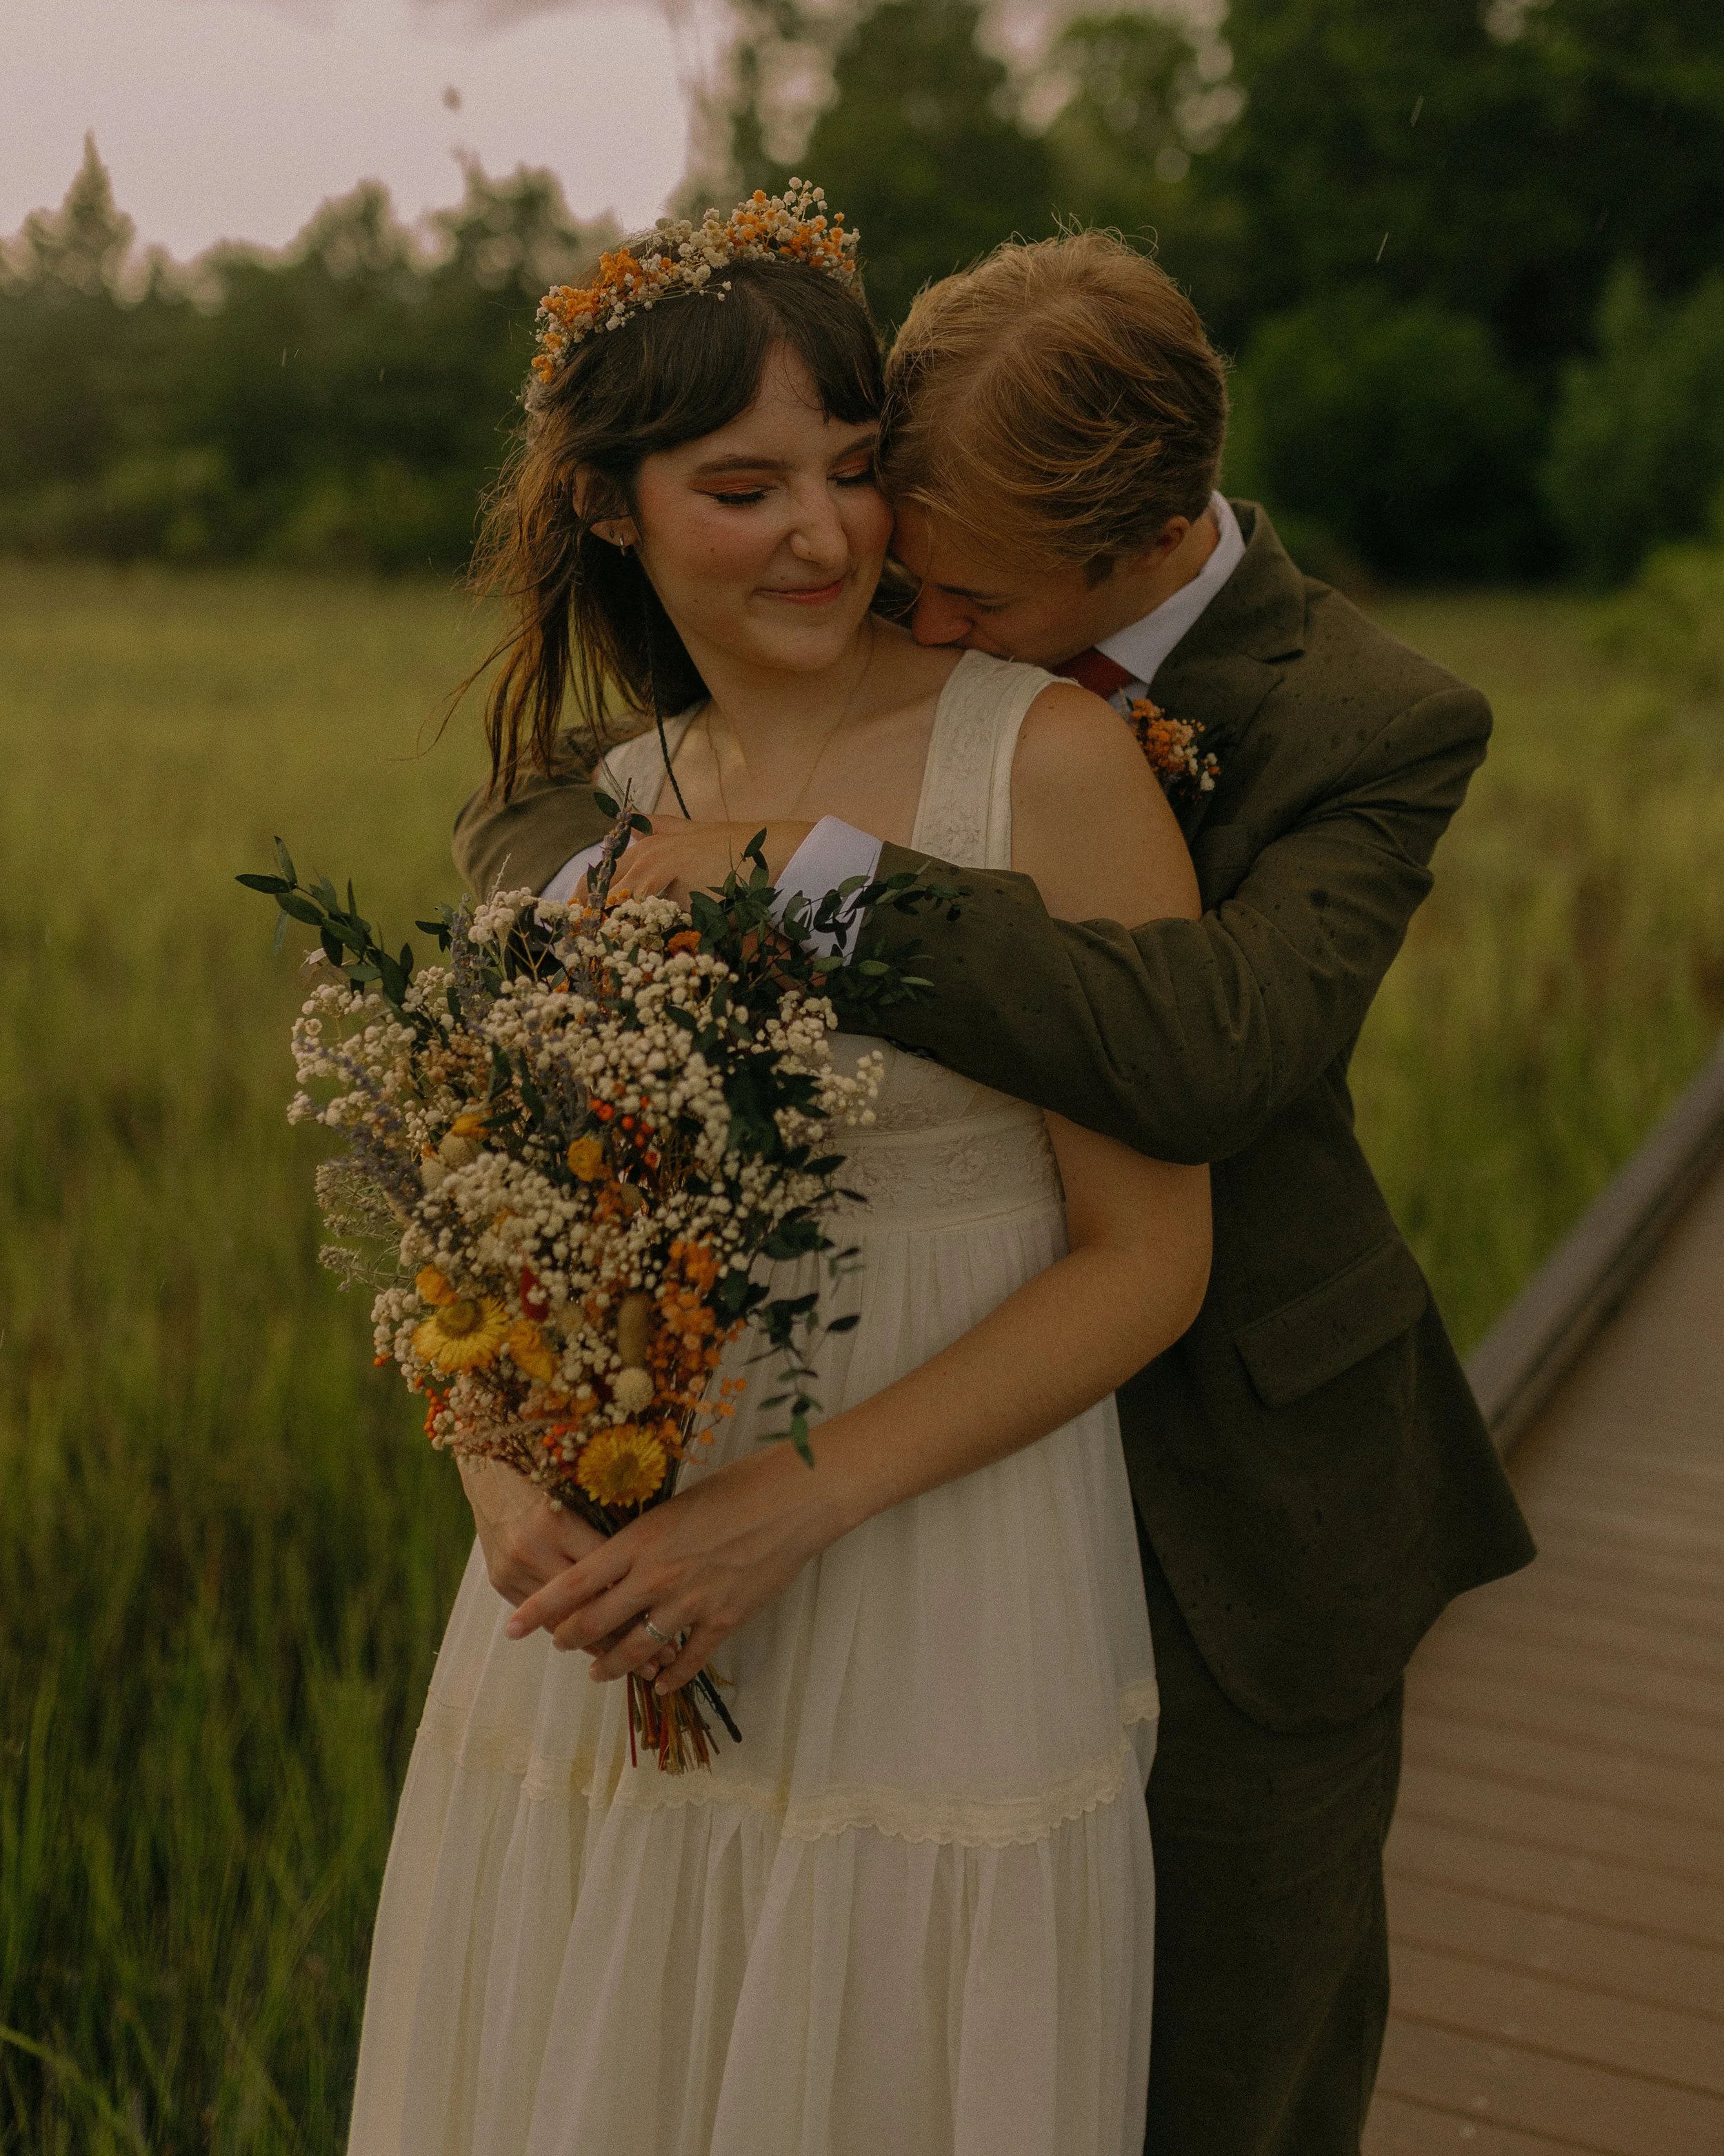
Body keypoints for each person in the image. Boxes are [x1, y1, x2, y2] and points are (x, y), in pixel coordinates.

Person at [458, 229, 1536, 2156]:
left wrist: (797, 869)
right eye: (868, 497)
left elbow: (1208, 1056)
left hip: (1238, 1499)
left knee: (1218, 2071)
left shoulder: (1366, 718)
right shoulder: (648, 766)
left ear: (1127, 551)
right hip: (840, 1523)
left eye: (956, 587)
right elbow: (547, 883)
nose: (887, 591)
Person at [348, 196, 1212, 2156]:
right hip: (609, 1598)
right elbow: (479, 1220)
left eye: (849, 472)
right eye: (742, 485)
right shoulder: (601, 813)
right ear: (610, 510)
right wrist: (496, 1478)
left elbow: (1151, 1252)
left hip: (939, 1567)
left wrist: (786, 1508)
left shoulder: (1047, 766)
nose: (821, 533)